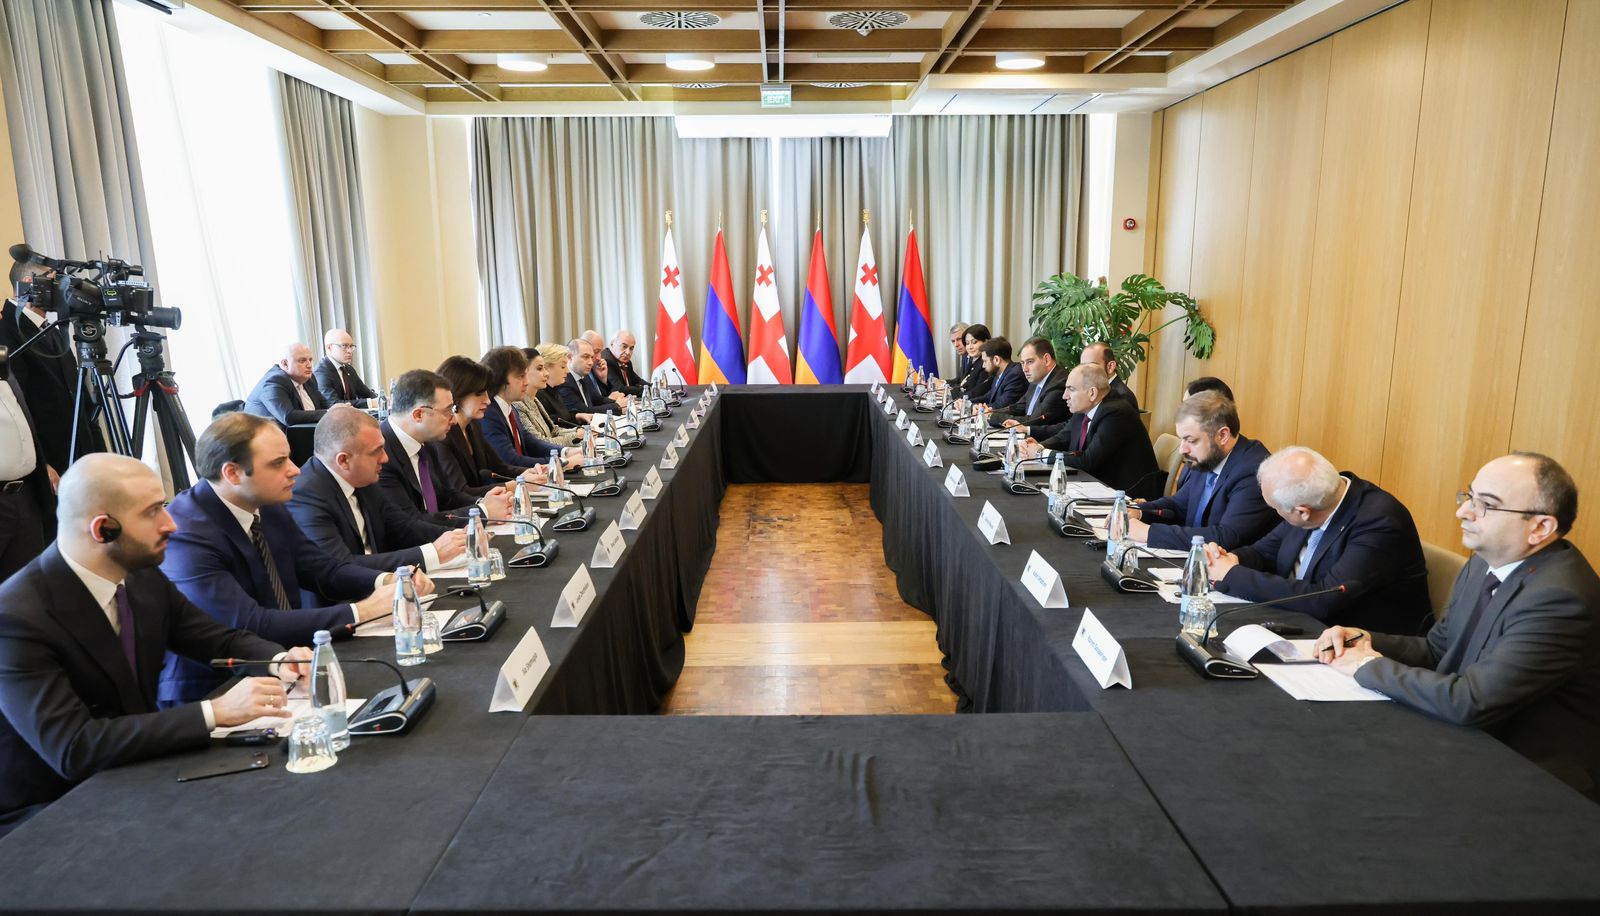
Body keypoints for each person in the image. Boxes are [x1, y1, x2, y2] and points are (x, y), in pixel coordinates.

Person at [0, 454, 311, 835]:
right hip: (53, 810)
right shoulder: (16, 618)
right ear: (103, 529)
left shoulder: (141, 576)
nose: (170, 523)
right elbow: (74, 747)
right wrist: (215, 712)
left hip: (138, 771)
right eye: (152, 512)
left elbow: (216, 639)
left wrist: (279, 660)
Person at [1315, 453, 1600, 799]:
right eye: (1469, 497)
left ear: (1540, 527)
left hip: (1531, 774)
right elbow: (1439, 649)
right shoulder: (1485, 562)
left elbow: (1470, 701)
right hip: (1467, 738)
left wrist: (1365, 664)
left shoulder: (1559, 599)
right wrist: (1365, 639)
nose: (1463, 512)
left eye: (1486, 505)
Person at [159, 412, 416, 705]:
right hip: (217, 692)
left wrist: (387, 581)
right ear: (233, 473)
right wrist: (364, 610)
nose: (295, 470)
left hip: (289, 666)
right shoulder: (186, 535)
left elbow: (320, 568)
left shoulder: (266, 503)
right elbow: (251, 623)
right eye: (278, 463)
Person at [1204, 446, 1431, 633]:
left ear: (1303, 512)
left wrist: (1232, 574)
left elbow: (1324, 598)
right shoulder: (1317, 495)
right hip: (1298, 621)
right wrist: (1227, 559)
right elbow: (1264, 552)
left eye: (1276, 509)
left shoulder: (1379, 522)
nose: (1275, 514)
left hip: (1357, 641)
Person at [286, 406, 466, 574]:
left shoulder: (364, 479)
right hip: (347, 595)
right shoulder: (305, 496)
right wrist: (432, 553)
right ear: (343, 461)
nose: (385, 458)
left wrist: (460, 537)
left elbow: (403, 527)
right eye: (376, 451)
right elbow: (339, 565)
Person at [1126, 391, 1276, 550]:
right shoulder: (1208, 457)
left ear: (1222, 435)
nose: (1182, 449)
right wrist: (1138, 512)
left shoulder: (1254, 471)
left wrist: (1149, 533)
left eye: (1190, 440)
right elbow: (1178, 506)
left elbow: (1226, 537)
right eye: (1182, 439)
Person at [0, 258, 103, 468]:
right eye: (55, 280)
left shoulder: (53, 331)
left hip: (83, 459)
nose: (62, 287)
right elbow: (14, 410)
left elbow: (80, 397)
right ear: (30, 283)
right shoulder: (5, 331)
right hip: (48, 464)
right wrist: (43, 466)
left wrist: (100, 454)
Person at [379, 369, 512, 526]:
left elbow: (446, 496)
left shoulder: (426, 442)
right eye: (448, 411)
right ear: (418, 415)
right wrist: (484, 511)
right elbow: (410, 523)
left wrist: (483, 502)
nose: (454, 420)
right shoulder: (382, 454)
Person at [1023, 364, 1162, 499]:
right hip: (1098, 484)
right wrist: (1038, 446)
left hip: (1128, 494)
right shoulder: (1085, 408)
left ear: (1092, 393)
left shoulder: (1116, 413)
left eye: (1071, 389)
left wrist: (1040, 453)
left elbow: (1088, 461)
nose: (1065, 396)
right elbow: (1063, 437)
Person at [434, 355, 554, 493]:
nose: (488, 400)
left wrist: (531, 471)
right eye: (479, 394)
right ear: (458, 394)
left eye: (487, 392)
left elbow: (499, 467)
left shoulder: (473, 425)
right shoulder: (442, 436)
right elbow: (461, 492)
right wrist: (515, 485)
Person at [478, 346, 577, 470]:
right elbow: (511, 461)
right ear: (501, 379)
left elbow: (531, 443)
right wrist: (562, 462)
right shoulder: (489, 414)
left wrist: (566, 451)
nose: (526, 382)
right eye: (520, 376)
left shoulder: (510, 408)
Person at [0, 370, 53, 582]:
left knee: (29, 590)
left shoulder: (4, 366)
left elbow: (19, 424)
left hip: (26, 495)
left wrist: (40, 463)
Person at [243, 342, 328, 429]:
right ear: (285, 364)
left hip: (303, 431)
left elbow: (323, 403)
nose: (309, 365)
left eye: (310, 360)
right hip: (268, 434)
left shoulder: (307, 378)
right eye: (302, 361)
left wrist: (335, 410)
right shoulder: (274, 381)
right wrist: (328, 413)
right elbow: (288, 417)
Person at [992, 337, 1070, 430]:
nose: (1024, 369)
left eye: (1029, 362)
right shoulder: (1036, 380)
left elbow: (1035, 420)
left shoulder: (1059, 384)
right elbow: (1018, 407)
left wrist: (995, 417)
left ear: (1046, 359)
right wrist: (991, 412)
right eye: (1022, 363)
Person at [516, 347, 583, 447]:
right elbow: (539, 443)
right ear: (524, 372)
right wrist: (576, 435)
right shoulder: (518, 405)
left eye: (544, 368)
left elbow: (553, 431)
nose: (546, 373)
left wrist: (579, 431)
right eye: (539, 369)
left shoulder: (534, 400)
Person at [557, 338, 623, 416]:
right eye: (586, 357)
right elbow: (583, 411)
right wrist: (617, 406)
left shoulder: (584, 376)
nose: (591, 362)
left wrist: (620, 402)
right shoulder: (564, 381)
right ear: (570, 357)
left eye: (591, 357)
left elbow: (598, 400)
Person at [313, 328, 377, 407]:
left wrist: (381, 399)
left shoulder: (348, 369)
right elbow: (334, 404)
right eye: (344, 346)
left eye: (351, 346)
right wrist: (370, 403)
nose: (350, 351)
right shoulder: (321, 372)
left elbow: (366, 393)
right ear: (329, 347)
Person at [1079, 342, 1139, 412]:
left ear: (1110, 367)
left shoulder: (1122, 397)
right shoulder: (1092, 389)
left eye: (1091, 366)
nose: (1085, 372)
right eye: (1082, 367)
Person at [969, 337, 1024, 407]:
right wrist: (967, 402)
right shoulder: (999, 373)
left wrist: (973, 407)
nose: (983, 366)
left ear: (996, 360)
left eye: (985, 361)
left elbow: (1001, 405)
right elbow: (988, 397)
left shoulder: (1015, 375)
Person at [600, 330, 644, 397]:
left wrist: (653, 386)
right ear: (612, 344)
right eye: (624, 346)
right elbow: (619, 389)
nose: (628, 353)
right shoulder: (607, 360)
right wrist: (645, 389)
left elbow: (637, 380)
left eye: (631, 348)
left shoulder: (626, 362)